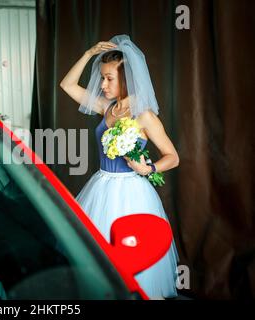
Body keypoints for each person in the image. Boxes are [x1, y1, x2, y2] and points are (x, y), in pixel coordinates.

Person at [60, 35, 179, 299]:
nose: (102, 84)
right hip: (101, 186)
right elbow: (67, 84)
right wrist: (88, 53)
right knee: (100, 258)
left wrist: (148, 169)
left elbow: (173, 156)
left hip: (132, 195)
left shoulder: (144, 115)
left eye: (109, 78)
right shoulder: (106, 108)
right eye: (101, 77)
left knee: (134, 263)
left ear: (127, 78)